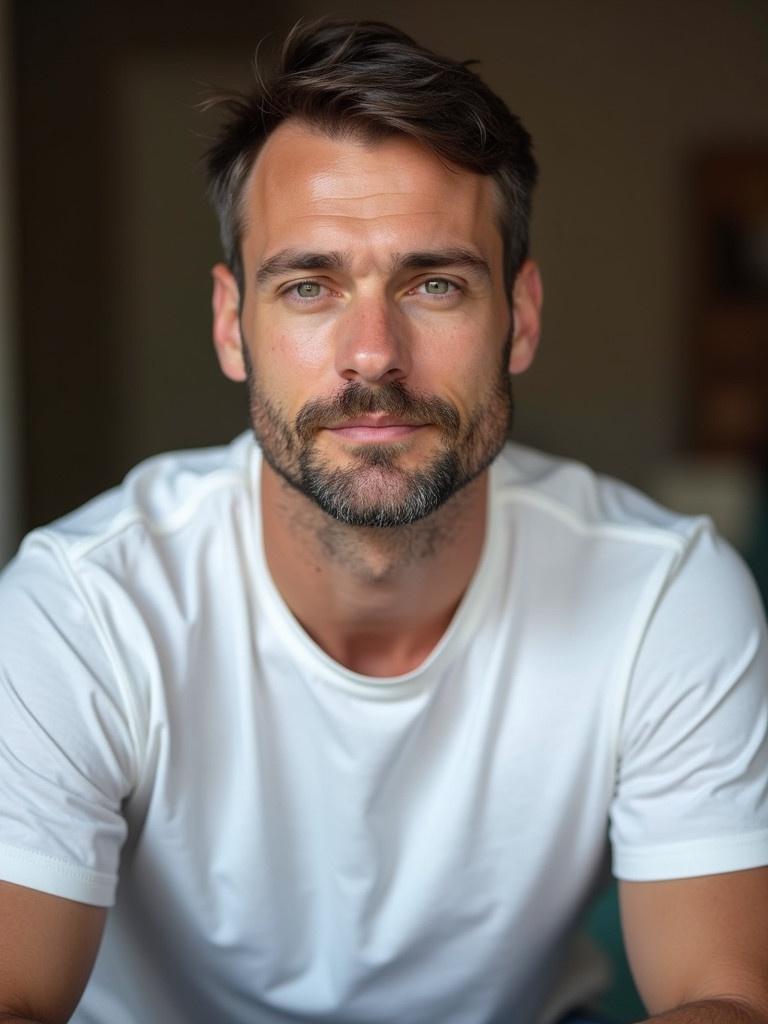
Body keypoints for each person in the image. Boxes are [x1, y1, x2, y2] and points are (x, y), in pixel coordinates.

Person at [0, 17, 767, 1024]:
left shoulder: (665, 596)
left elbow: (721, 996)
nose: (373, 354)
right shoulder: (80, 610)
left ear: (521, 317)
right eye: (310, 284)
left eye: (434, 282)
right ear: (233, 325)